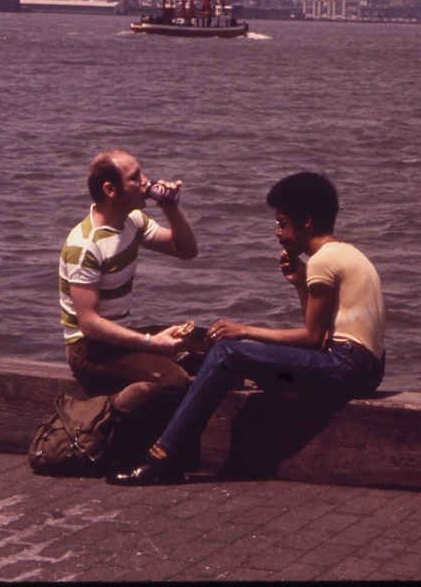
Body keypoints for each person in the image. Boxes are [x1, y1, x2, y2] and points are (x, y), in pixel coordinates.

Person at [109, 171, 386, 485]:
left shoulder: (323, 262)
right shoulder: (346, 253)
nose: (277, 233)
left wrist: (243, 330)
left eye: (282, 223)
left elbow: (313, 338)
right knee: (222, 353)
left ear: (306, 222)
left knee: (227, 351)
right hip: (366, 369)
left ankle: (164, 456)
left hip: (346, 367)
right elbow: (322, 333)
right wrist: (299, 282)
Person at [59, 149, 198, 447]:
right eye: (135, 177)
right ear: (111, 190)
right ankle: (107, 419)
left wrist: (170, 206)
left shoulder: (133, 220)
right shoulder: (85, 246)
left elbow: (186, 250)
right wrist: (151, 343)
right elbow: (89, 325)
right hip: (89, 351)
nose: (146, 181)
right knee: (174, 380)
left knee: (203, 345)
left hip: (117, 340)